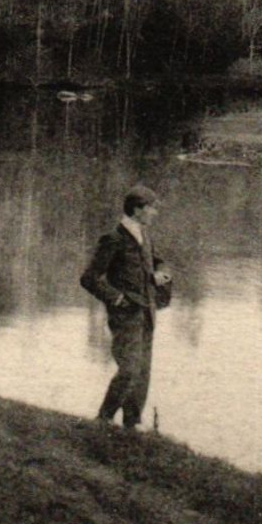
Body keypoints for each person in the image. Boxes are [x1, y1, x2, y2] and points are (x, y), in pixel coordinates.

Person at [80, 184, 173, 431]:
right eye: (152, 208)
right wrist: (116, 298)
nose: (155, 213)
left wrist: (161, 273)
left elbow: (159, 261)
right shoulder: (113, 239)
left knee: (142, 372)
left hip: (148, 313)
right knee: (130, 369)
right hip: (125, 317)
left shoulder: (145, 236)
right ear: (137, 209)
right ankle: (103, 419)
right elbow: (89, 278)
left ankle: (131, 424)